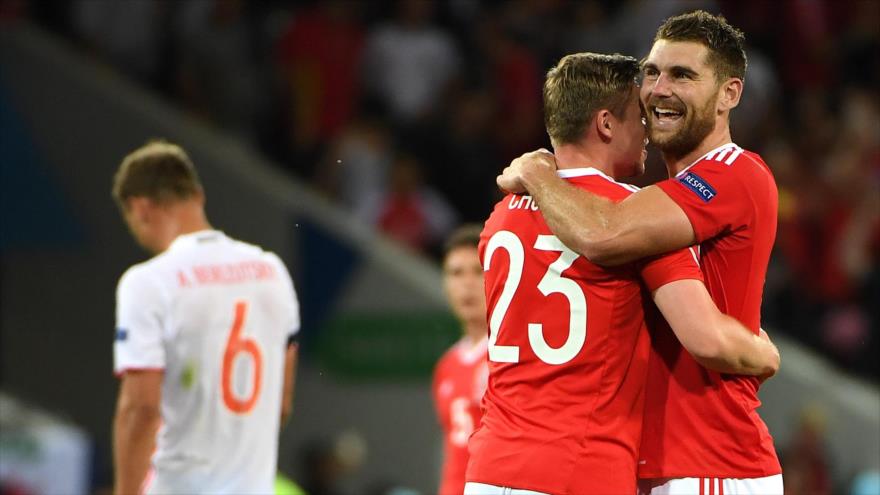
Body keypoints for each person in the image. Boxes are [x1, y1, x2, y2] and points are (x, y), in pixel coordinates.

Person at [498, 11, 784, 495]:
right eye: (652, 71)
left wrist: (538, 172)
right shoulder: (658, 194)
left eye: (683, 75)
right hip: (655, 464)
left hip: (711, 463)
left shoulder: (732, 173)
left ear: (729, 95)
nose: (658, 88)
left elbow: (602, 234)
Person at [111, 140, 300, 494]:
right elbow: (282, 402)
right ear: (198, 196)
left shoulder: (149, 282)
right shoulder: (272, 271)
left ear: (140, 209)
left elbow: (141, 408)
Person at [432, 224, 489, 495]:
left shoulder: (514, 355)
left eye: (478, 271)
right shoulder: (447, 366)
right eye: (456, 273)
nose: (466, 283)